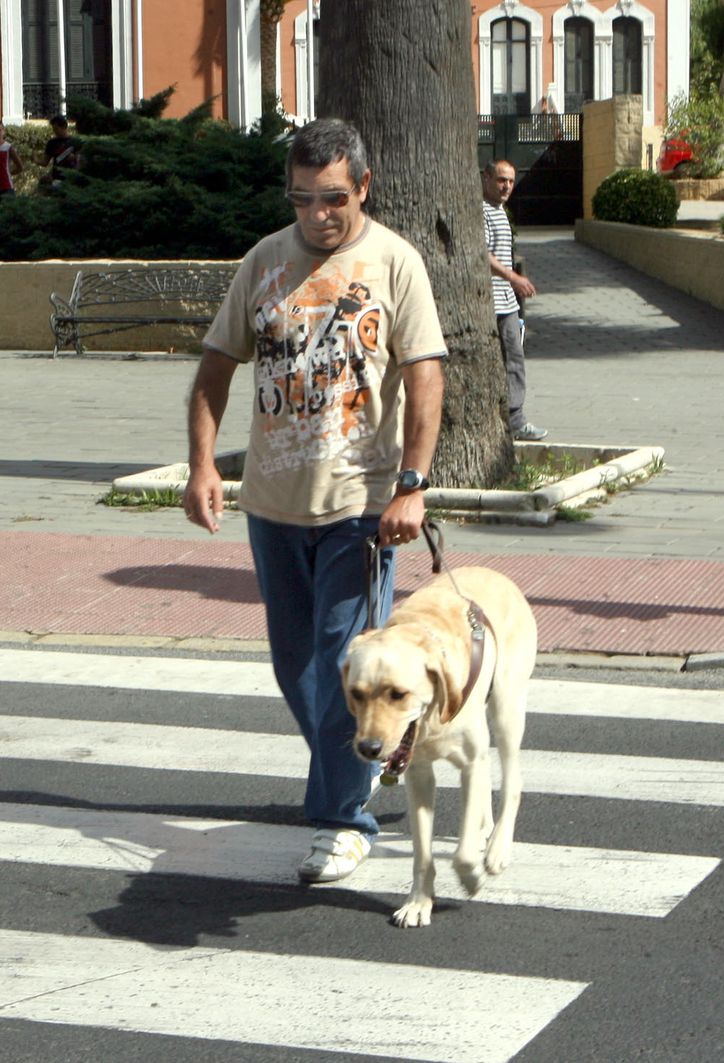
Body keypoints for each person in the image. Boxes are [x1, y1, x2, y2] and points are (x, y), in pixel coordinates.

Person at [183, 118, 446, 884]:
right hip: (272, 504)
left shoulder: (395, 262)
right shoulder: (265, 260)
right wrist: (202, 466)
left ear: (362, 186)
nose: (317, 214)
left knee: (341, 664)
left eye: (332, 198)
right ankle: (366, 754)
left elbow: (426, 376)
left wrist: (413, 484)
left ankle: (341, 819)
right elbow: (214, 369)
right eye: (301, 198)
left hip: (360, 506)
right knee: (297, 669)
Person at [481, 159, 546, 441]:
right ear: (486, 178)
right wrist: (513, 278)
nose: (507, 186)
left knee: (513, 358)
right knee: (509, 359)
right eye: (501, 180)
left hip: (507, 301)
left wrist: (514, 284)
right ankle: (513, 421)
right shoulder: (482, 211)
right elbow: (482, 254)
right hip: (491, 302)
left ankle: (512, 419)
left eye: (510, 181)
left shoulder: (500, 211)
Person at [42, 115, 81, 185]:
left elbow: (81, 161)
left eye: (56, 129)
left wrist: (74, 158)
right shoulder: (52, 143)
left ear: (64, 127)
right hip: (56, 178)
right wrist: (35, 159)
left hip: (71, 179)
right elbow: (45, 162)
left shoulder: (75, 141)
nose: (54, 131)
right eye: (53, 129)